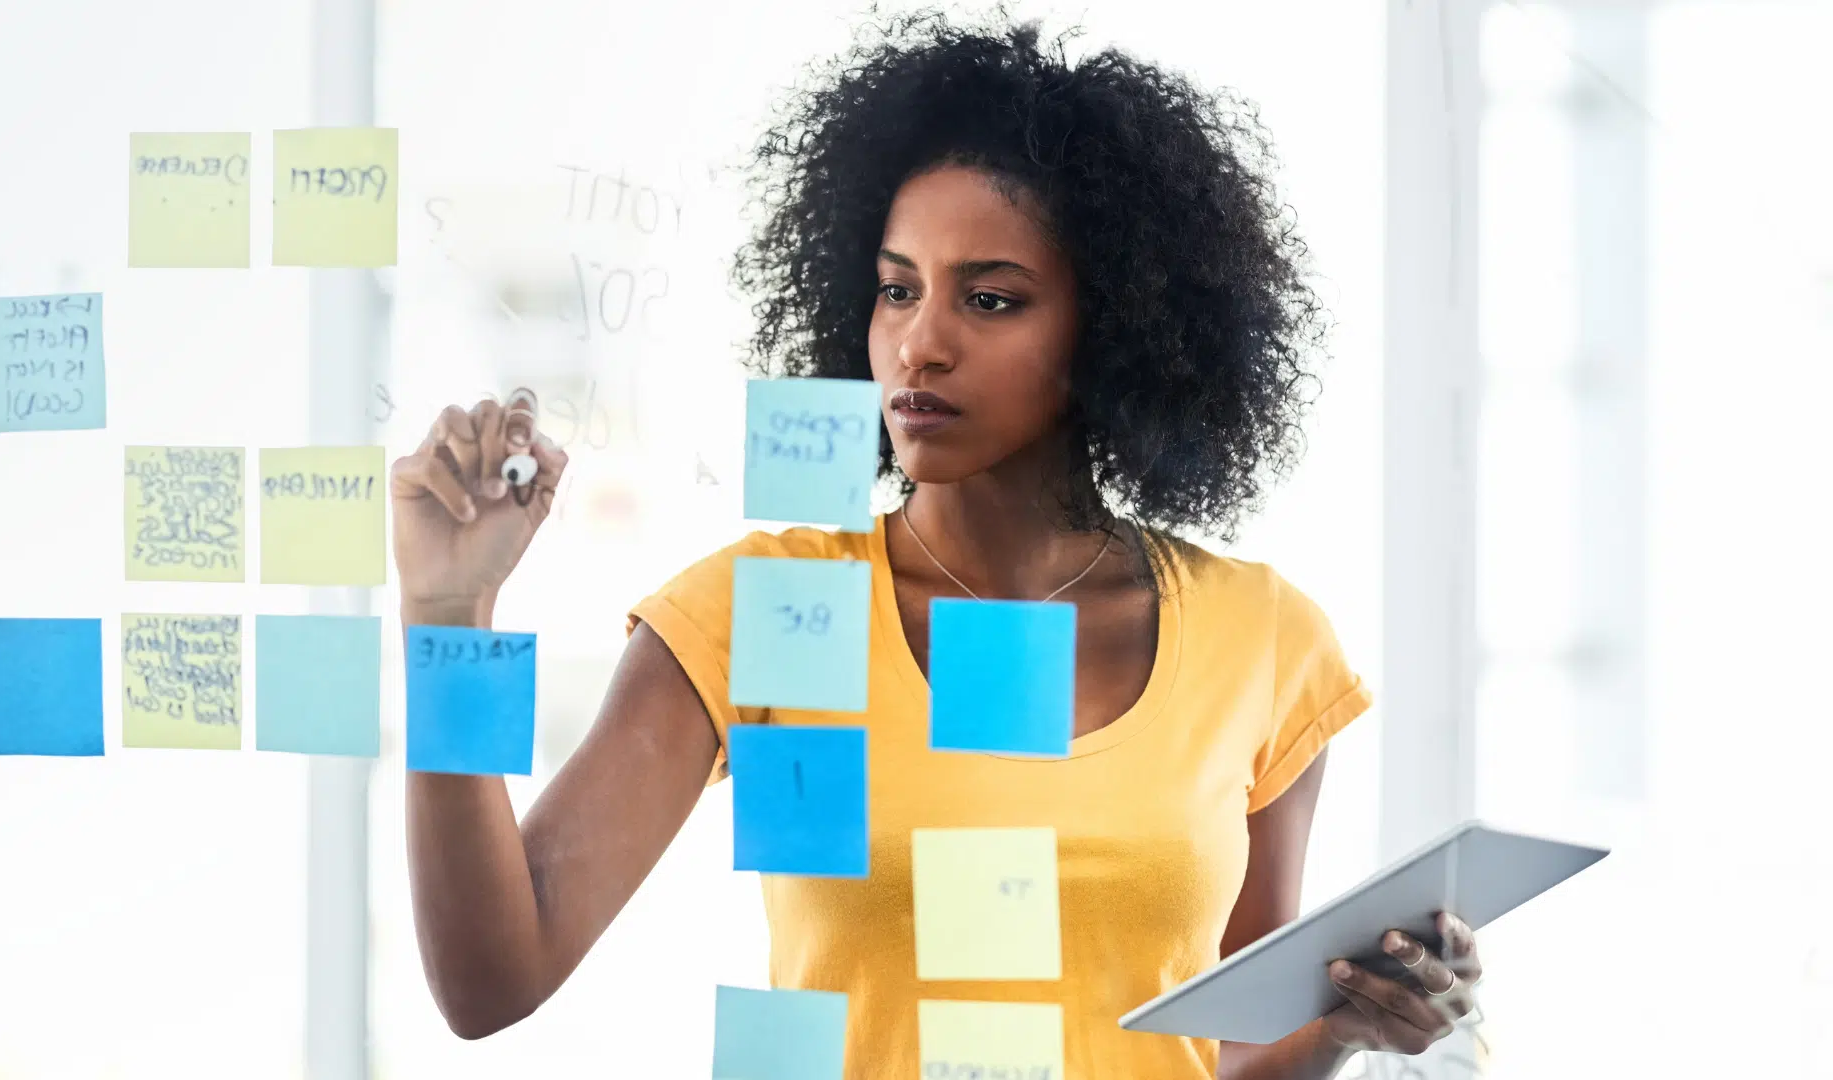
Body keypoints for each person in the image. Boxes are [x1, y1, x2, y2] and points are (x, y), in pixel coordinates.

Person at [393, 10, 1483, 1078]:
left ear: (1116, 328)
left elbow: (1226, 1050)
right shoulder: (767, 609)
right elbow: (492, 982)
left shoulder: (1264, 638)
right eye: (896, 289)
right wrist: (449, 619)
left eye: (992, 299)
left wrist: (1345, 1032)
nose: (921, 344)